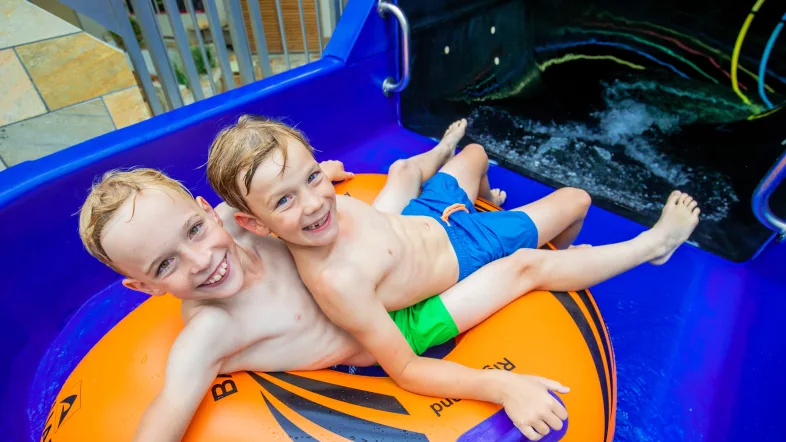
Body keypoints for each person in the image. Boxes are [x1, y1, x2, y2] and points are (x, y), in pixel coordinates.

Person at [207, 114, 700, 440]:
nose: (314, 203)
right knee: (576, 201)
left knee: (475, 154)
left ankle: (498, 201)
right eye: (285, 201)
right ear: (257, 222)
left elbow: (230, 211)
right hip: (466, 249)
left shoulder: (310, 207)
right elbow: (406, 369)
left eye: (312, 178)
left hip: (429, 216)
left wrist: (312, 177)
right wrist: (502, 387)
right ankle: (647, 248)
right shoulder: (338, 280)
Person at [78, 126, 567, 442]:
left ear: (208, 211)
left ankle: (456, 172)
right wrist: (500, 384)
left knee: (442, 164)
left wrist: (325, 173)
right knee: (522, 265)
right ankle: (560, 253)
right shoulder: (210, 334)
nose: (203, 259)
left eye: (194, 230)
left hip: (378, 268)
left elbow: (269, 188)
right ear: (143, 287)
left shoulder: (237, 219)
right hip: (398, 325)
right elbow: (162, 420)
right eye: (165, 266)